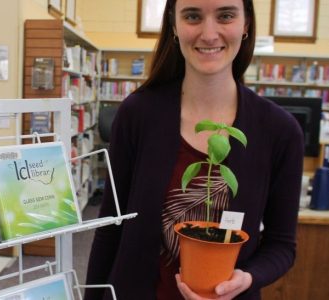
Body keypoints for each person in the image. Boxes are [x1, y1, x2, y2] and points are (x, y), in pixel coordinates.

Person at [84, 0, 304, 299]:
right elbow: (110, 227)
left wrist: (248, 277)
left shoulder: (280, 130)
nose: (209, 33)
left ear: (246, 24)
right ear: (174, 25)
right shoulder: (138, 113)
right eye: (192, 16)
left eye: (225, 16)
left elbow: (281, 245)